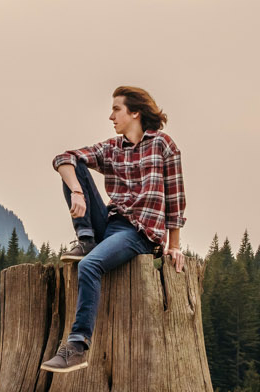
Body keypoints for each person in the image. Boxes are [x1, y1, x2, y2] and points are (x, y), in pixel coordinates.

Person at [40, 85, 187, 373]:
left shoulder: (163, 146)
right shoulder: (112, 148)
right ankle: (85, 238)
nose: (111, 116)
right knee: (74, 165)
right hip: (107, 224)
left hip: (139, 234)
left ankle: (77, 347)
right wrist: (77, 193)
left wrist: (174, 244)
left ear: (135, 112)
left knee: (89, 267)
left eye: (116, 109)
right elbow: (63, 159)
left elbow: (175, 199)